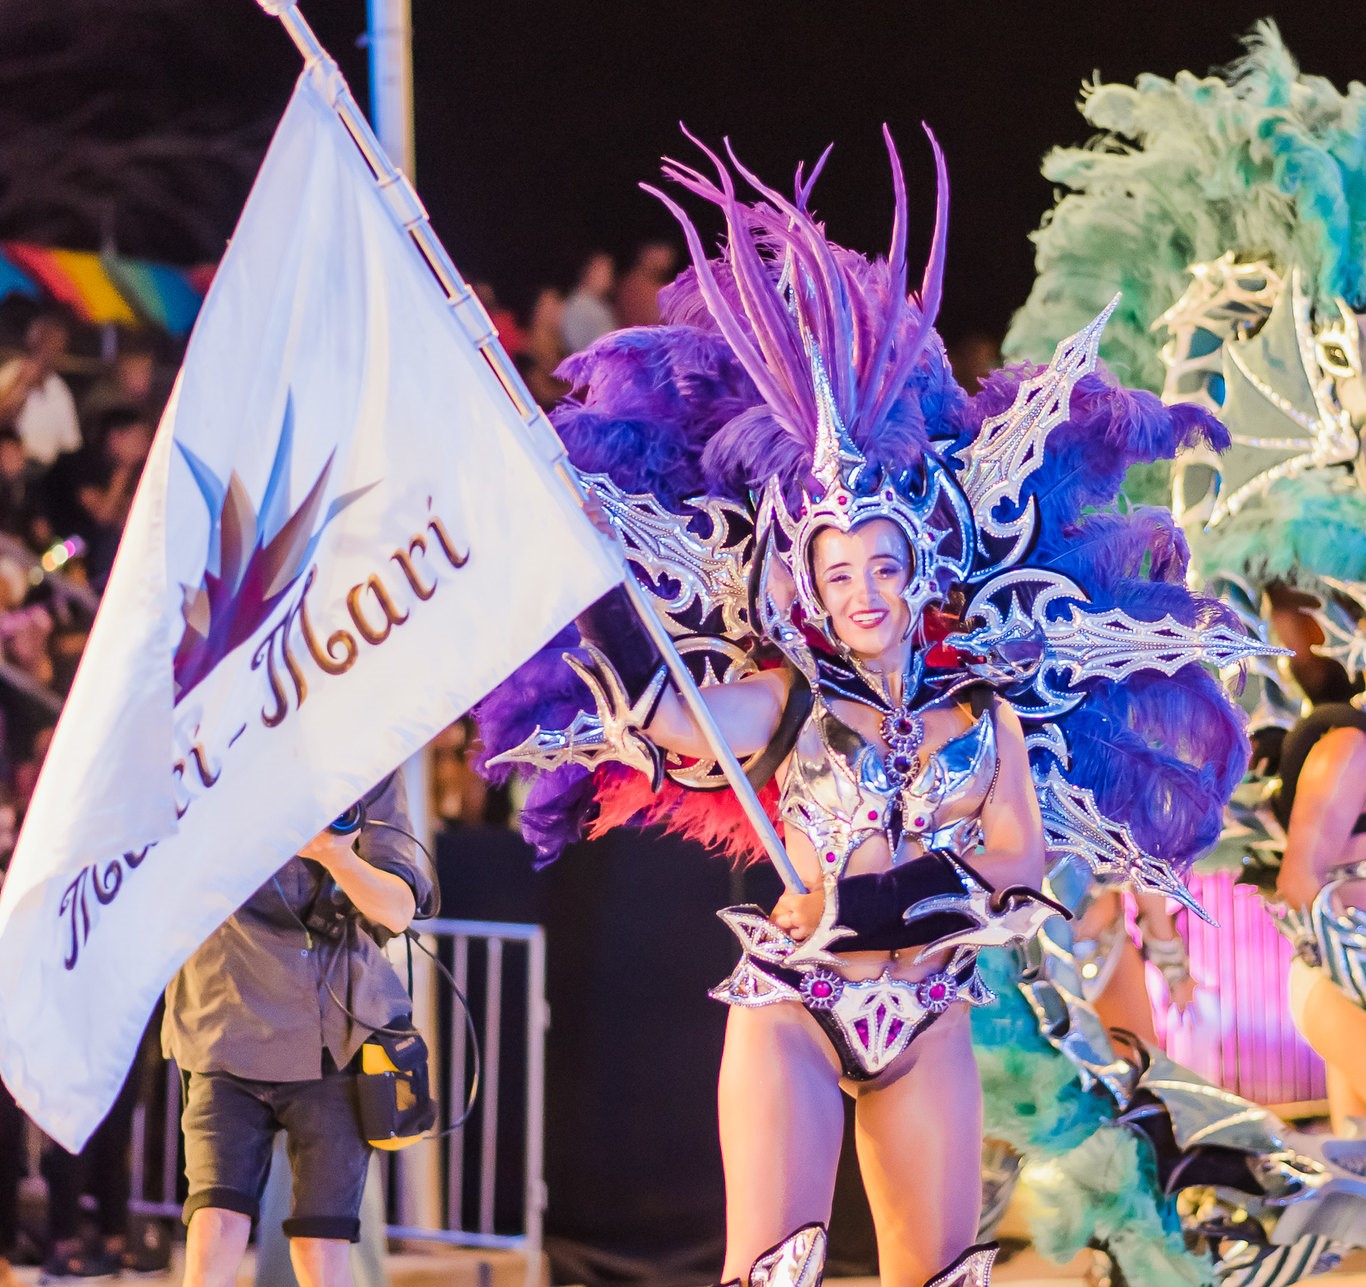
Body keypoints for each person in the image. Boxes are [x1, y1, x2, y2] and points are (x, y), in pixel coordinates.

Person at [477, 133, 1249, 1287]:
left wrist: (914, 889)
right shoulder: (782, 703)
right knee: (772, 1270)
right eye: (838, 577)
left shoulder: (986, 716)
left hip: (926, 1009)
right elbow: (673, 717)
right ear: (811, 591)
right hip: (794, 1004)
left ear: (918, 567)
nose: (864, 594)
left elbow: (1019, 866)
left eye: (881, 569)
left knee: (933, 1276)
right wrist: (589, 582)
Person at [162, 772, 434, 1287]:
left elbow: (397, 908)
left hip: (337, 1036)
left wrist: (337, 856)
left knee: (320, 1244)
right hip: (222, 1022)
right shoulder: (211, 747)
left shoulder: (366, 760)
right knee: (214, 1225)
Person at [0, 312, 80, 471]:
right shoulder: (12, 372)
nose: (48, 348)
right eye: (44, 340)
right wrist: (22, 385)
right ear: (31, 339)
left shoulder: (58, 390)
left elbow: (70, 443)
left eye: (55, 343)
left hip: (41, 469)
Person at [559, 251, 616, 354]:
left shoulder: (597, 304)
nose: (609, 277)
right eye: (605, 271)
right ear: (590, 272)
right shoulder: (583, 306)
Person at [614, 241, 677, 328]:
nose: (666, 262)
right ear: (647, 255)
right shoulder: (633, 285)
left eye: (669, 257)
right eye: (660, 253)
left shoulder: (664, 286)